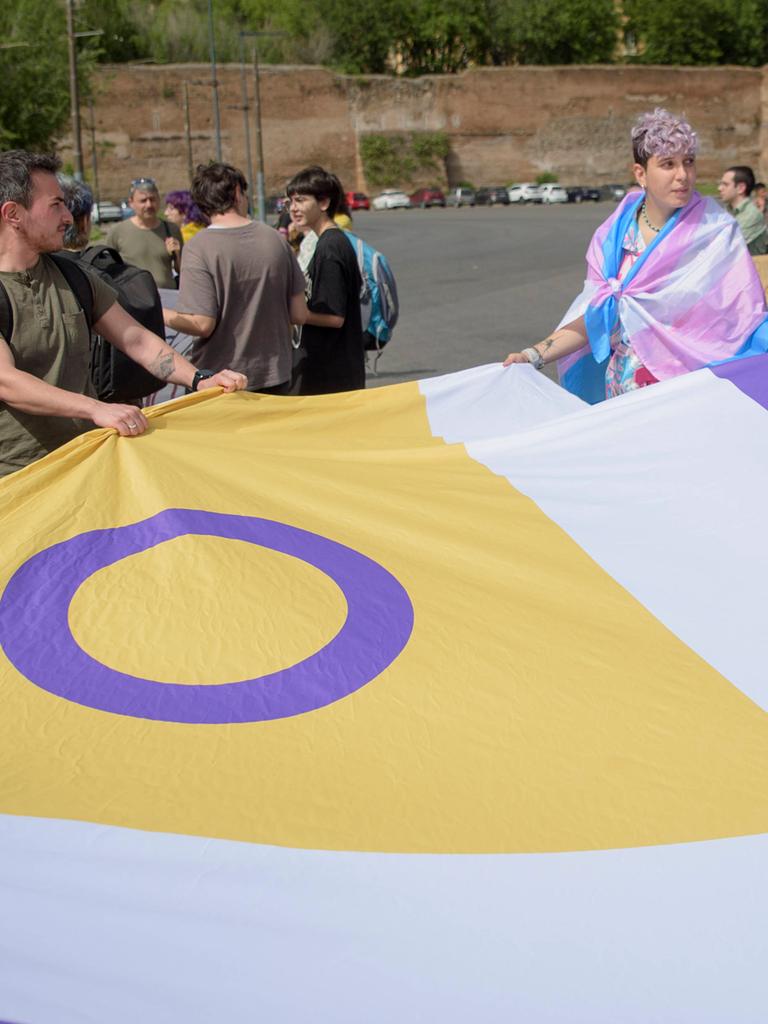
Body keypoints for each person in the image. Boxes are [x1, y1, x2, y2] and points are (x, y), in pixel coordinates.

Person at [0, 150, 246, 478]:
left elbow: (136, 339)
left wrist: (199, 379)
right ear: (13, 214)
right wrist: (96, 408)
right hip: (17, 478)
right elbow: (7, 382)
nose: (68, 217)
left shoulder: (75, 277)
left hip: (86, 461)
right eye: (55, 205)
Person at [504, 109, 768, 402]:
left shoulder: (715, 232)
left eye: (689, 161)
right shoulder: (614, 238)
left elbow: (743, 318)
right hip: (623, 398)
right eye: (668, 164)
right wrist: (532, 355)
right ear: (640, 173)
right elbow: (595, 317)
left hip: (687, 398)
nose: (683, 175)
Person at [162, 162, 307, 394]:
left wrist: (160, 313)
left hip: (220, 379)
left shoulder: (198, 247)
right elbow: (299, 314)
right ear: (238, 193)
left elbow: (202, 324)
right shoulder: (275, 239)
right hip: (275, 374)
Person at [286, 166, 365, 394]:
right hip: (331, 370)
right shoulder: (326, 242)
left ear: (323, 203)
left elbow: (335, 317)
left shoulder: (330, 247)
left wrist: (297, 313)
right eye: (291, 201)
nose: (293, 208)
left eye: (301, 200)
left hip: (333, 374)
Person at [106, 176, 182, 288]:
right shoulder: (118, 232)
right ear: (131, 203)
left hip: (167, 295)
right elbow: (107, 270)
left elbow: (182, 270)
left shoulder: (171, 230)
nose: (149, 205)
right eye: (143, 201)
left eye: (152, 199)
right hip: (134, 296)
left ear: (158, 200)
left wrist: (177, 255)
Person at [717, 165, 768, 255]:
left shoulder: (752, 214)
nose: (719, 188)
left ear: (741, 188)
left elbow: (726, 245)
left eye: (725, 184)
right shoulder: (728, 211)